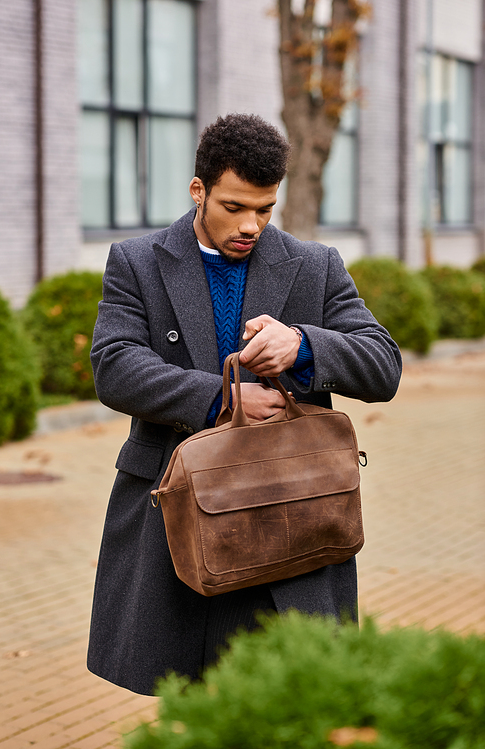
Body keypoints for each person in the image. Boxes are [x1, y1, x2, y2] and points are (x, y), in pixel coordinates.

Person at [87, 113, 402, 696]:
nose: (251, 224)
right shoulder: (138, 262)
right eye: (234, 207)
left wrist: (304, 344)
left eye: (265, 209)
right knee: (193, 704)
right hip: (180, 522)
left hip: (291, 522)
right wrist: (219, 397)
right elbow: (114, 365)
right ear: (198, 190)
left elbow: (384, 365)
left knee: (286, 704)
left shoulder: (316, 265)